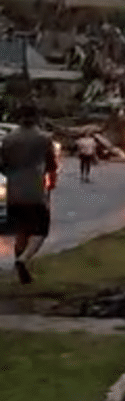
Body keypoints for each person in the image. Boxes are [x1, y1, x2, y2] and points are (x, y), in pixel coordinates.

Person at [0, 104, 58, 284]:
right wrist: (51, 181)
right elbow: (51, 165)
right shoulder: (44, 138)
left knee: (21, 230)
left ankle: (21, 275)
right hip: (34, 190)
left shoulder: (8, 139)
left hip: (14, 190)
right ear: (36, 117)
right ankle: (23, 260)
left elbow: (2, 164)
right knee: (41, 229)